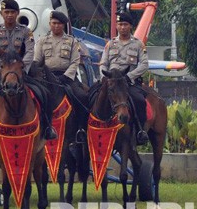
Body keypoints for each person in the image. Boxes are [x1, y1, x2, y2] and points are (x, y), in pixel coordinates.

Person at [0, 0, 57, 148]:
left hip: (24, 73)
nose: (10, 15)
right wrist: (4, 72)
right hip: (2, 74)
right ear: (1, 13)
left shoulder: (26, 31)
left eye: (12, 12)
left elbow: (30, 51)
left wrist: (20, 70)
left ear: (17, 13)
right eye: (7, 12)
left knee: (45, 94)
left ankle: (47, 127)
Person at [33, 10, 90, 139]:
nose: (56, 26)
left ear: (63, 25)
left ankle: (81, 129)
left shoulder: (72, 41)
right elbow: (37, 61)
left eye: (59, 23)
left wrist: (65, 76)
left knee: (81, 96)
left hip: (66, 77)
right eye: (54, 23)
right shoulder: (42, 41)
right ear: (49, 24)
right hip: (47, 77)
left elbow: (75, 61)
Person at [99, 11, 149, 145]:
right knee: (91, 96)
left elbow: (144, 64)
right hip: (111, 82)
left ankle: (140, 131)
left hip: (129, 82)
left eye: (125, 25)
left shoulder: (138, 44)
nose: (122, 27)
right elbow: (103, 63)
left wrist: (129, 77)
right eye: (120, 24)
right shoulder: (110, 44)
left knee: (139, 100)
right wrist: (103, 77)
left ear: (130, 26)